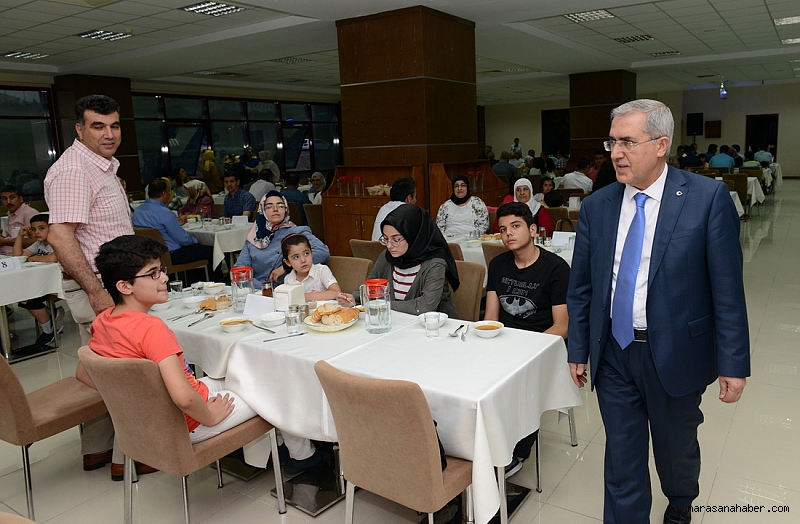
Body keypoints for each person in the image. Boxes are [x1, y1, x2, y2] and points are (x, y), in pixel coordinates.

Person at [566, 99, 750, 524]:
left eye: (627, 142)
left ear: (661, 145)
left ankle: (680, 505)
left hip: (676, 352)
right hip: (613, 354)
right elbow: (583, 286)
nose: (615, 153)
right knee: (622, 460)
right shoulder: (598, 206)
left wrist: (733, 363)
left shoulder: (706, 198)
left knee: (675, 452)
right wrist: (579, 349)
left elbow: (727, 290)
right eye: (612, 142)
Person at [77, 235, 321, 480]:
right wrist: (209, 415)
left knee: (246, 375)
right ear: (124, 286)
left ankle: (280, 444)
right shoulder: (151, 328)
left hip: (158, 418)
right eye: (153, 274)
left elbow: (83, 373)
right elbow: (183, 398)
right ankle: (303, 457)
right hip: (191, 422)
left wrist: (148, 398)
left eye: (161, 270)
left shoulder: (104, 320)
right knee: (278, 389)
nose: (164, 278)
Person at [44, 94, 134, 475]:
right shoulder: (74, 170)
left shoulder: (102, 166)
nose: (109, 133)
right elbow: (60, 237)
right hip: (100, 287)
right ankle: (128, 458)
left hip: (114, 283)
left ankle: (98, 449)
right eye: (98, 126)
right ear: (80, 130)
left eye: (114, 125)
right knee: (125, 372)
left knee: (102, 367)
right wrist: (97, 293)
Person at [485, 201, 569, 476]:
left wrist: (525, 349)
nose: (508, 233)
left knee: (520, 383)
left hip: (542, 344)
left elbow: (562, 327)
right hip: (504, 341)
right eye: (503, 229)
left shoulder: (556, 268)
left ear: (533, 230)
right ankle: (484, 444)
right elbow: (490, 317)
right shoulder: (498, 264)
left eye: (516, 226)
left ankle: (517, 451)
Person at [338, 204, 459, 318]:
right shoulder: (387, 256)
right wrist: (354, 298)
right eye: (385, 239)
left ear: (413, 235)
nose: (389, 246)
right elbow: (371, 285)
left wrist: (383, 304)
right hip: (397, 322)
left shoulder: (435, 263)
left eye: (396, 240)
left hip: (433, 326)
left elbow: (425, 306)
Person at [235, 191, 329, 285]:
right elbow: (239, 270)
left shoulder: (297, 232)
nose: (275, 209)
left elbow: (323, 252)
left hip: (290, 288)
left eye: (280, 206)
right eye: (269, 206)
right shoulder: (254, 237)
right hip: (257, 289)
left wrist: (286, 267)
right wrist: (261, 288)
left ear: (286, 209)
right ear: (262, 210)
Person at [132, 179, 219, 282]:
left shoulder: (138, 211)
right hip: (171, 255)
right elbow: (183, 239)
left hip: (151, 254)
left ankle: (193, 282)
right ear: (164, 193)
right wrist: (196, 240)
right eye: (169, 191)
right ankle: (213, 282)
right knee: (211, 250)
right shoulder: (164, 213)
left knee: (195, 249)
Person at [12, 214, 64, 346]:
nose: (37, 232)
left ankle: (48, 330)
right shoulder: (39, 244)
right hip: (43, 280)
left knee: (30, 299)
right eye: (33, 229)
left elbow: (53, 258)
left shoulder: (57, 241)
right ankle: (51, 316)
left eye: (41, 228)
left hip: (57, 282)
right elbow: (17, 256)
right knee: (23, 297)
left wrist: (33, 258)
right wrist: (20, 236)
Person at [281, 233, 341, 301]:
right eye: (296, 257)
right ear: (288, 262)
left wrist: (304, 296)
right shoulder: (288, 279)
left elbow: (337, 293)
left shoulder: (322, 270)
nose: (303, 260)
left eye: (306, 253)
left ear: (311, 253)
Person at [1, 184, 37, 254]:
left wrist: (4, 241)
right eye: (4, 198)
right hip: (5, 254)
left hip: (20, 256)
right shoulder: (11, 213)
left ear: (21, 199)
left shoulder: (29, 213)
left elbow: (35, 242)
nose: (8, 202)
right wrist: (2, 238)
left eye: (12, 197)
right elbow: (12, 237)